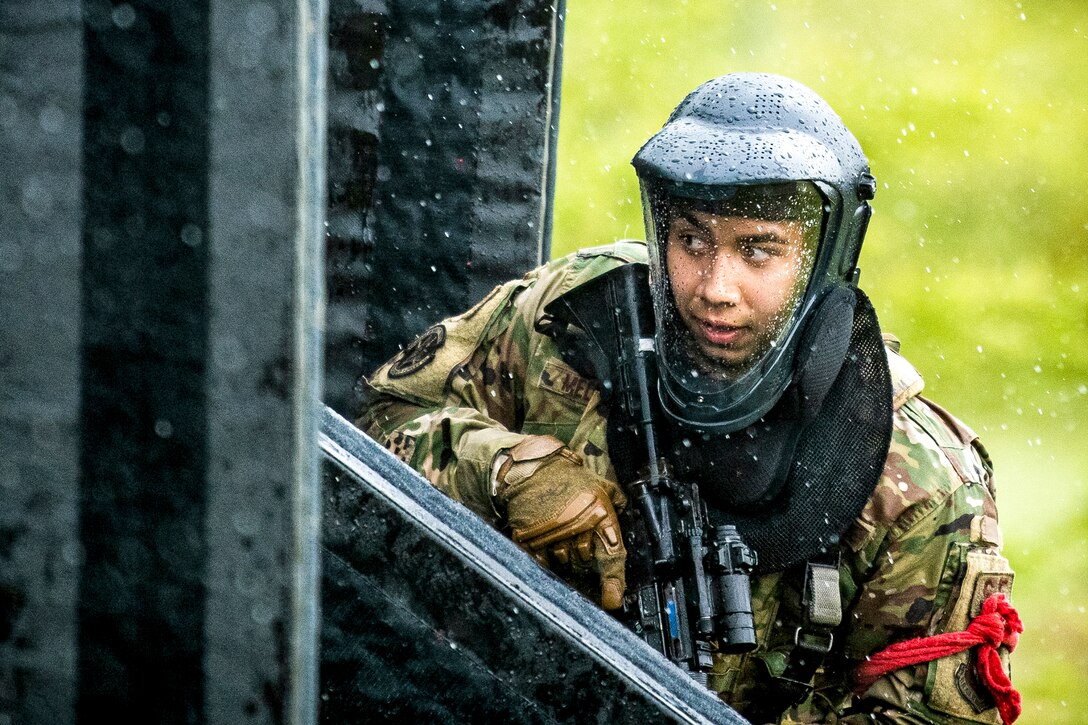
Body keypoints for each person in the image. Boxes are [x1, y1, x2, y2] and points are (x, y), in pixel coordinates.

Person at [356, 73, 1019, 724]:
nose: (714, 286)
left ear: (824, 258)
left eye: (758, 250)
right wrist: (507, 472)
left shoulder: (919, 482)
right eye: (692, 240)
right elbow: (367, 438)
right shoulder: (568, 322)